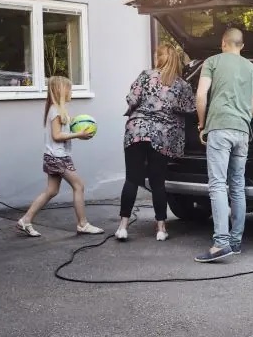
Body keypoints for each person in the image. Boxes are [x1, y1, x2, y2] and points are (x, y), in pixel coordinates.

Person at [194, 28, 253, 263]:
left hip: (220, 128)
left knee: (217, 185)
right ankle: (235, 242)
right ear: (241, 46)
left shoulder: (212, 61)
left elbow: (201, 95)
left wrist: (202, 124)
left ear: (223, 43)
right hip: (242, 132)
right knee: (237, 187)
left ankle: (221, 243)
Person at [116, 43, 195, 242]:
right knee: (157, 182)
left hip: (136, 131)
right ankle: (161, 229)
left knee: (132, 179)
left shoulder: (145, 75)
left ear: (159, 58)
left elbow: (131, 99)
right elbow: (190, 109)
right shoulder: (181, 84)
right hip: (161, 136)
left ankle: (123, 227)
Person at [16, 76, 104, 237]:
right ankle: (82, 224)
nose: (71, 92)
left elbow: (61, 134)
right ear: (60, 91)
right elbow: (56, 135)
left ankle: (25, 220)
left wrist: (78, 135)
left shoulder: (57, 109)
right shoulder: (55, 110)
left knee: (51, 190)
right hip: (58, 157)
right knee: (79, 186)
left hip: (54, 156)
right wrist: (78, 134)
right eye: (69, 89)